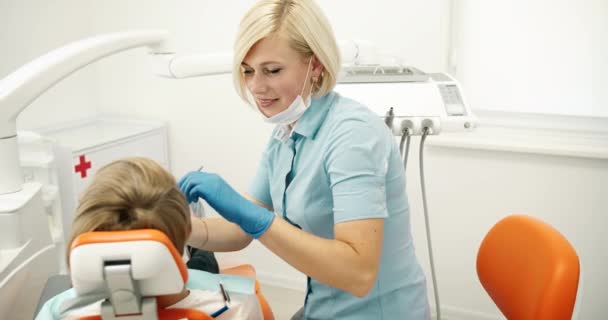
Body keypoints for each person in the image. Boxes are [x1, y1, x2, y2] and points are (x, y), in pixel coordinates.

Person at [179, 0, 431, 319]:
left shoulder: (353, 135)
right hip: (323, 307)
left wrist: (255, 219)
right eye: (247, 71)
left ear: (316, 65)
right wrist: (180, 226)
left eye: (272, 70)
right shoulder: (286, 131)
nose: (256, 86)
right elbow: (239, 230)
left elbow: (358, 273)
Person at [61, 157, 262, 320]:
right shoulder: (236, 310)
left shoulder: (63, 314)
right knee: (202, 262)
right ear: (184, 232)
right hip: (193, 275)